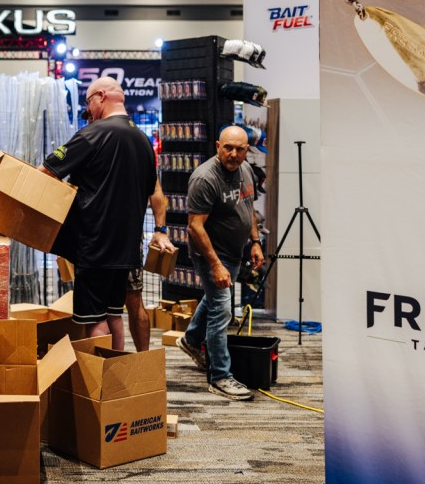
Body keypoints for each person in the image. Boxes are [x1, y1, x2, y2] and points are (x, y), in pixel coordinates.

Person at [40, 77, 175, 349]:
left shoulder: (93, 134)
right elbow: (154, 190)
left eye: (88, 102)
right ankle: (117, 370)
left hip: (94, 246)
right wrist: (160, 230)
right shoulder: (143, 141)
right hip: (126, 248)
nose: (88, 109)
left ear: (100, 96)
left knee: (93, 319)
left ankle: (101, 372)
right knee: (114, 314)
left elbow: (46, 172)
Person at [177, 125, 264, 401]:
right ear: (218, 146)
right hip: (210, 254)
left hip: (235, 252)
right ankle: (220, 377)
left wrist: (255, 241)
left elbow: (248, 207)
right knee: (221, 309)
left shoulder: (245, 170)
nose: (233, 154)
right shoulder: (205, 178)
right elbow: (195, 226)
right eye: (228, 148)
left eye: (240, 149)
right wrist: (215, 265)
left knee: (215, 299)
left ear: (247, 150)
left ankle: (191, 340)